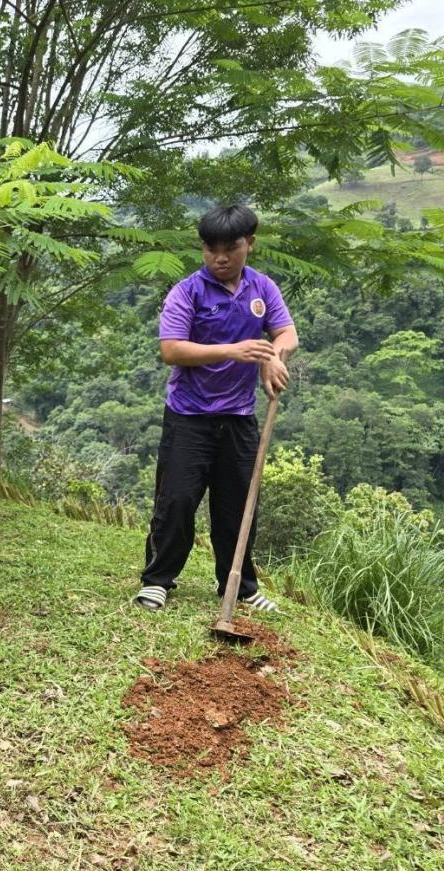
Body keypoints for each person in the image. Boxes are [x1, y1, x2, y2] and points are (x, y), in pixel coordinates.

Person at [134, 204, 298, 614]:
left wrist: (273, 357)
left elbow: (286, 331)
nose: (220, 258)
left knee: (239, 505)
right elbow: (171, 349)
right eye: (210, 249)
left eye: (231, 248)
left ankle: (240, 587)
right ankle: (158, 580)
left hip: (239, 417)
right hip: (189, 415)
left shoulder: (263, 288)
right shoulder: (187, 291)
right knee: (177, 500)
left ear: (250, 245)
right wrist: (235, 351)